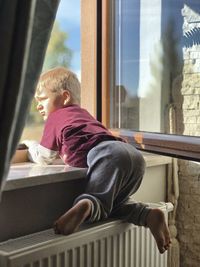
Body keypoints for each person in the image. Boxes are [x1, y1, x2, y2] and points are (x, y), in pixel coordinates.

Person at [19, 67, 171, 254]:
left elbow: (44, 156)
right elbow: (80, 143)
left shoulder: (56, 117)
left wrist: (29, 145)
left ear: (65, 97)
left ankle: (86, 204)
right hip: (133, 156)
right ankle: (147, 215)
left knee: (97, 200)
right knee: (115, 204)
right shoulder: (84, 115)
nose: (38, 106)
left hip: (107, 155)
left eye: (42, 99)